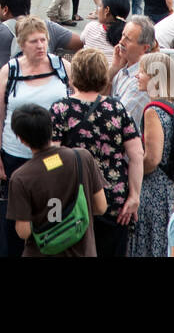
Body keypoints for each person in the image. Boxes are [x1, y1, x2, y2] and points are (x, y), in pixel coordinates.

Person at [50, 47, 143, 258]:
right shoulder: (116, 108)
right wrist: (134, 196)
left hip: (72, 199)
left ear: (74, 74)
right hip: (114, 200)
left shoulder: (60, 109)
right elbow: (137, 154)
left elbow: (51, 156)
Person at [0, 16, 70, 257]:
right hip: (15, 154)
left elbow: (78, 102)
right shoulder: (10, 71)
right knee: (13, 216)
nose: (40, 46)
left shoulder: (62, 67)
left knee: (50, 212)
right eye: (34, 41)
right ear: (22, 44)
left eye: (43, 40)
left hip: (52, 156)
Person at [7, 103, 108, 257]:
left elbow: (24, 231)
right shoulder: (82, 157)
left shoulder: (21, 177)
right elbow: (101, 207)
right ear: (51, 128)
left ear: (22, 139)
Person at [131, 52, 174, 257]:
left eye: (142, 72)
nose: (137, 76)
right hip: (172, 186)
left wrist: (132, 175)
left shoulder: (152, 110)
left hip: (154, 190)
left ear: (155, 78)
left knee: (150, 245)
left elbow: (153, 158)